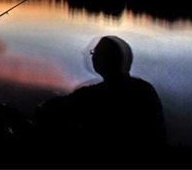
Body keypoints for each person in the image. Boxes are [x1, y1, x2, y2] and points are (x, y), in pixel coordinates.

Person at [35, 36, 166, 162]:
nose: (93, 57)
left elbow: (48, 108)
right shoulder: (145, 88)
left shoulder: (93, 95)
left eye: (95, 53)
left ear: (105, 60)